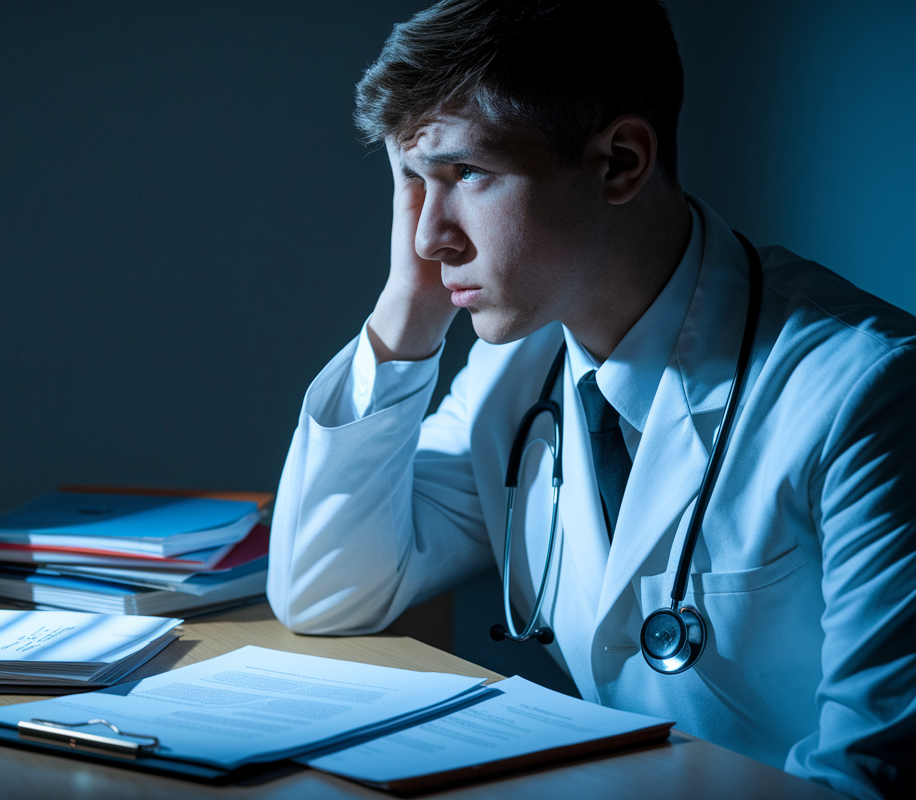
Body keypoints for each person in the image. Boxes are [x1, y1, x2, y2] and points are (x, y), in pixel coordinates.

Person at [265, 1, 915, 798]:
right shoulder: (518, 373)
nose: (431, 236)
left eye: (467, 173)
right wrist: (407, 312)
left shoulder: (868, 392)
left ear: (620, 163)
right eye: (412, 181)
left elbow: (869, 782)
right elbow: (327, 592)